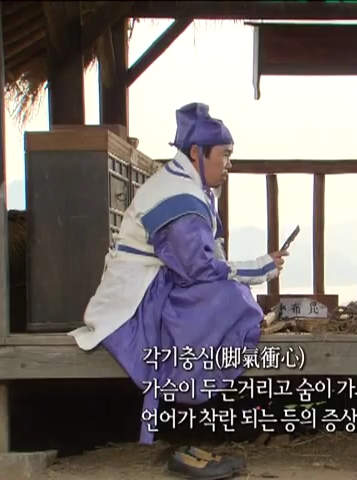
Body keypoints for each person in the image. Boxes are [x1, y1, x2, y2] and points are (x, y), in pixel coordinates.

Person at [69, 103, 288, 479]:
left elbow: (208, 260)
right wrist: (259, 268)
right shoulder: (178, 196)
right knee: (232, 300)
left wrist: (252, 269)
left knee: (231, 296)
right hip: (137, 304)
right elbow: (199, 268)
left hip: (155, 288)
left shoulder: (185, 185)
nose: (229, 164)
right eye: (225, 155)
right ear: (197, 154)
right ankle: (190, 384)